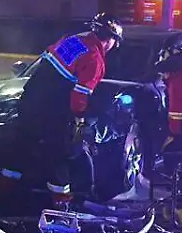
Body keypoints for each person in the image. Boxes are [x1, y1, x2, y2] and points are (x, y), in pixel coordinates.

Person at [11, 12, 123, 205]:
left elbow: (48, 66)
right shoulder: (95, 59)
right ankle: (63, 203)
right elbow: (79, 96)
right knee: (60, 155)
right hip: (52, 111)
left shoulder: (73, 41)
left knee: (20, 149)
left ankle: (3, 190)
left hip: (29, 101)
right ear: (111, 40)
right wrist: (80, 119)